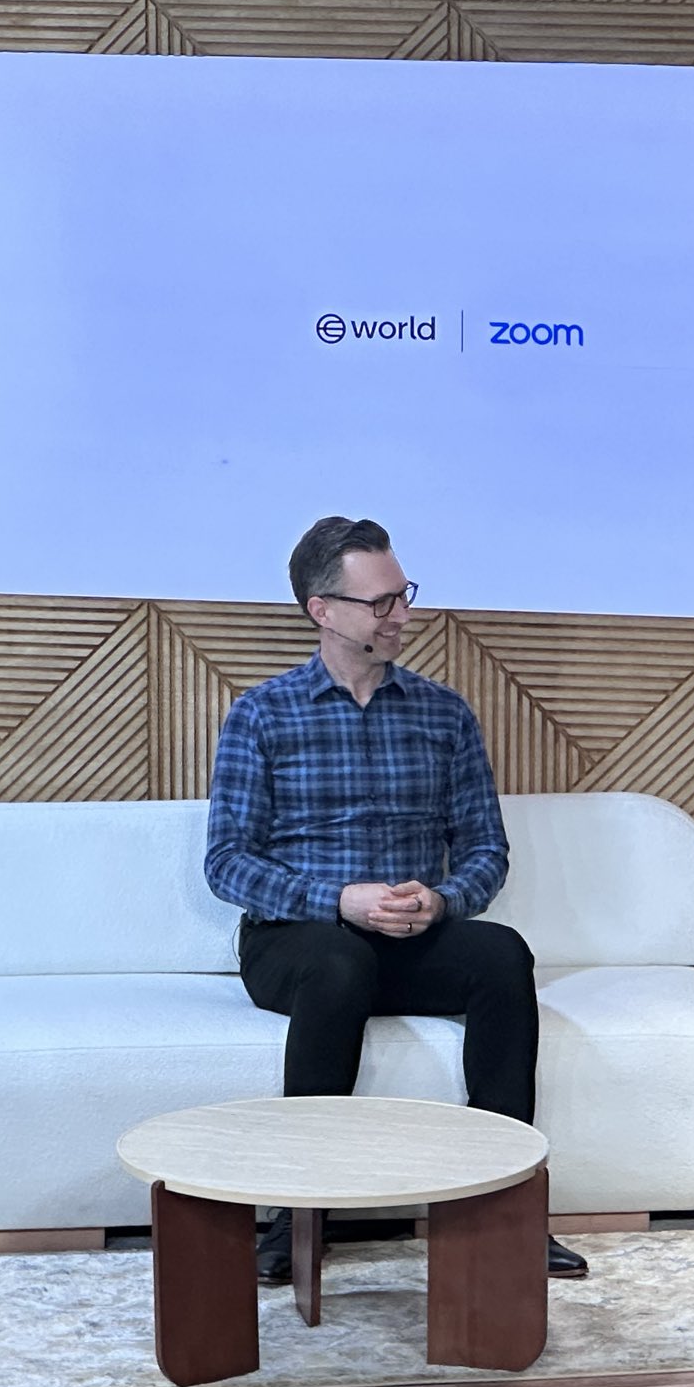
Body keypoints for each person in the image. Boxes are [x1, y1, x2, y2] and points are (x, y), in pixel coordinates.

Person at [203, 516, 587, 1282]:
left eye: (402, 595)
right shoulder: (263, 714)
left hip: (409, 939)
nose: (401, 615)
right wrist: (337, 899)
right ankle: (299, 1213)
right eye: (381, 602)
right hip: (298, 940)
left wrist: (441, 902)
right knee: (338, 963)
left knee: (501, 955)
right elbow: (227, 864)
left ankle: (502, 1211)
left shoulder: (443, 714)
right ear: (323, 610)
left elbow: (486, 851)